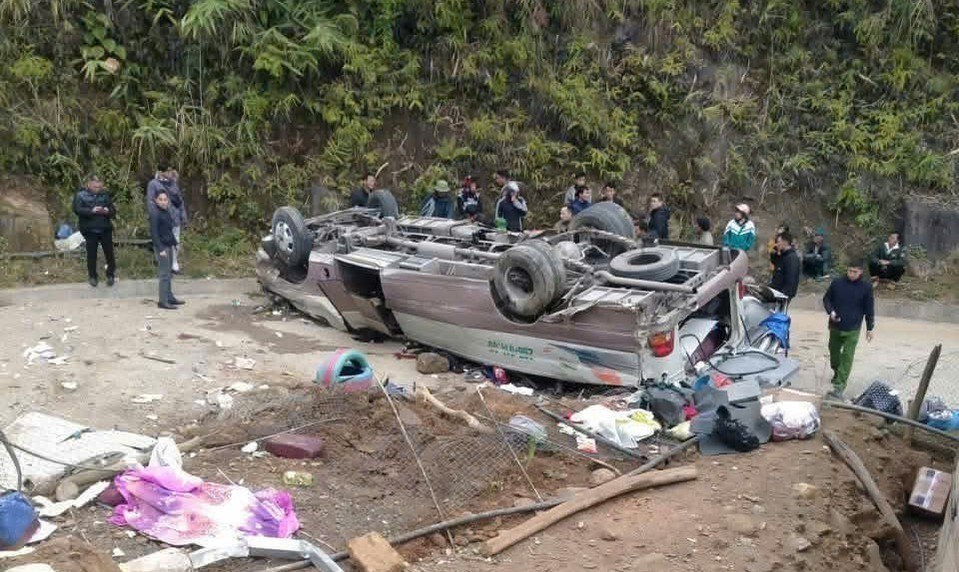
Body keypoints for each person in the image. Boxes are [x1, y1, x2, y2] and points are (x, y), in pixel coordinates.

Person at [822, 260, 875, 399]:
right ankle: (837, 372)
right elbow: (827, 299)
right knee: (834, 353)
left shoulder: (866, 287)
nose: (851, 274)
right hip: (835, 325)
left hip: (853, 327)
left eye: (855, 272)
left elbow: (869, 308)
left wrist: (870, 327)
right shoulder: (837, 283)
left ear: (861, 272)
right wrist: (831, 312)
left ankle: (839, 385)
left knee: (847, 356)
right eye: (849, 271)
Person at [73, 174, 116, 287]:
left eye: (99, 187)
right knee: (91, 254)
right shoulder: (80, 195)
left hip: (105, 228)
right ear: (89, 184)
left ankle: (110, 275)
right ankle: (93, 276)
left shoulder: (105, 195)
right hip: (90, 229)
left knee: (109, 253)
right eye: (95, 187)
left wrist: (107, 211)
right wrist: (92, 211)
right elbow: (77, 210)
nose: (97, 189)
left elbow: (113, 211)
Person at [146, 166, 187, 273]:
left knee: (176, 242)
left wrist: (183, 215)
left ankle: (174, 263)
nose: (170, 173)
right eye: (168, 171)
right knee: (160, 240)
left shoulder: (173, 183)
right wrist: (154, 216)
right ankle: (161, 262)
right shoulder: (153, 184)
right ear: (161, 172)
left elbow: (180, 200)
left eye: (171, 170)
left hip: (174, 218)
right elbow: (150, 202)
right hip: (162, 219)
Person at [149, 192, 184, 310]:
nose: (163, 202)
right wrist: (160, 249)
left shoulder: (166, 212)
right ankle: (163, 301)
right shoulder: (155, 213)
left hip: (168, 245)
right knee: (164, 274)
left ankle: (169, 297)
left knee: (169, 273)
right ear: (156, 200)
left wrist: (174, 243)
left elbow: (168, 230)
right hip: (162, 247)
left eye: (165, 199)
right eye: (161, 199)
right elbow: (154, 233)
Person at [769, 231, 801, 302]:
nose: (777, 244)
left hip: (782, 294)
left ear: (785, 242)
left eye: (778, 242)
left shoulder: (791, 258)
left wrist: (785, 295)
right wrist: (774, 253)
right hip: (775, 291)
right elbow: (775, 262)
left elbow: (791, 278)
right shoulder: (782, 256)